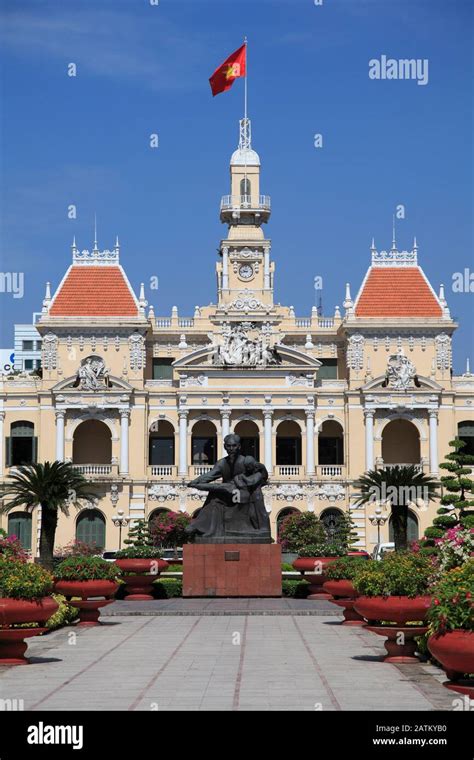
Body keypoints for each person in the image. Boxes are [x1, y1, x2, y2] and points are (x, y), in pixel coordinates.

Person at [184, 434, 271, 542]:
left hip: (244, 493)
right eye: (228, 446)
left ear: (239, 446)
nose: (231, 448)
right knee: (214, 497)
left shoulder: (246, 461)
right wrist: (196, 481)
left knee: (222, 492)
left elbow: (261, 474)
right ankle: (200, 527)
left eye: (234, 446)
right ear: (225, 447)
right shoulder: (222, 463)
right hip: (228, 492)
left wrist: (249, 482)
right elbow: (210, 475)